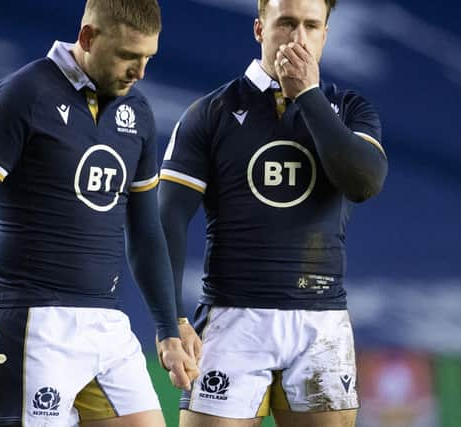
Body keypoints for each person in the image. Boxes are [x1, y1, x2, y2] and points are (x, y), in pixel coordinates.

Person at [0, 1, 198, 426]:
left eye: (147, 58)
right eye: (127, 57)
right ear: (88, 38)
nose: (139, 72)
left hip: (107, 323)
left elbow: (146, 229)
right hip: (32, 325)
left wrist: (169, 328)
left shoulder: (138, 113)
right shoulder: (23, 95)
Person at [159, 0, 388, 426]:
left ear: (325, 34)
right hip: (233, 315)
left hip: (321, 319)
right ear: (260, 29)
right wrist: (170, 319)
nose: (298, 37)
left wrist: (308, 96)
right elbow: (166, 220)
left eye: (311, 26)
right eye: (286, 23)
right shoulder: (211, 113)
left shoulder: (350, 109)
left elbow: (364, 183)